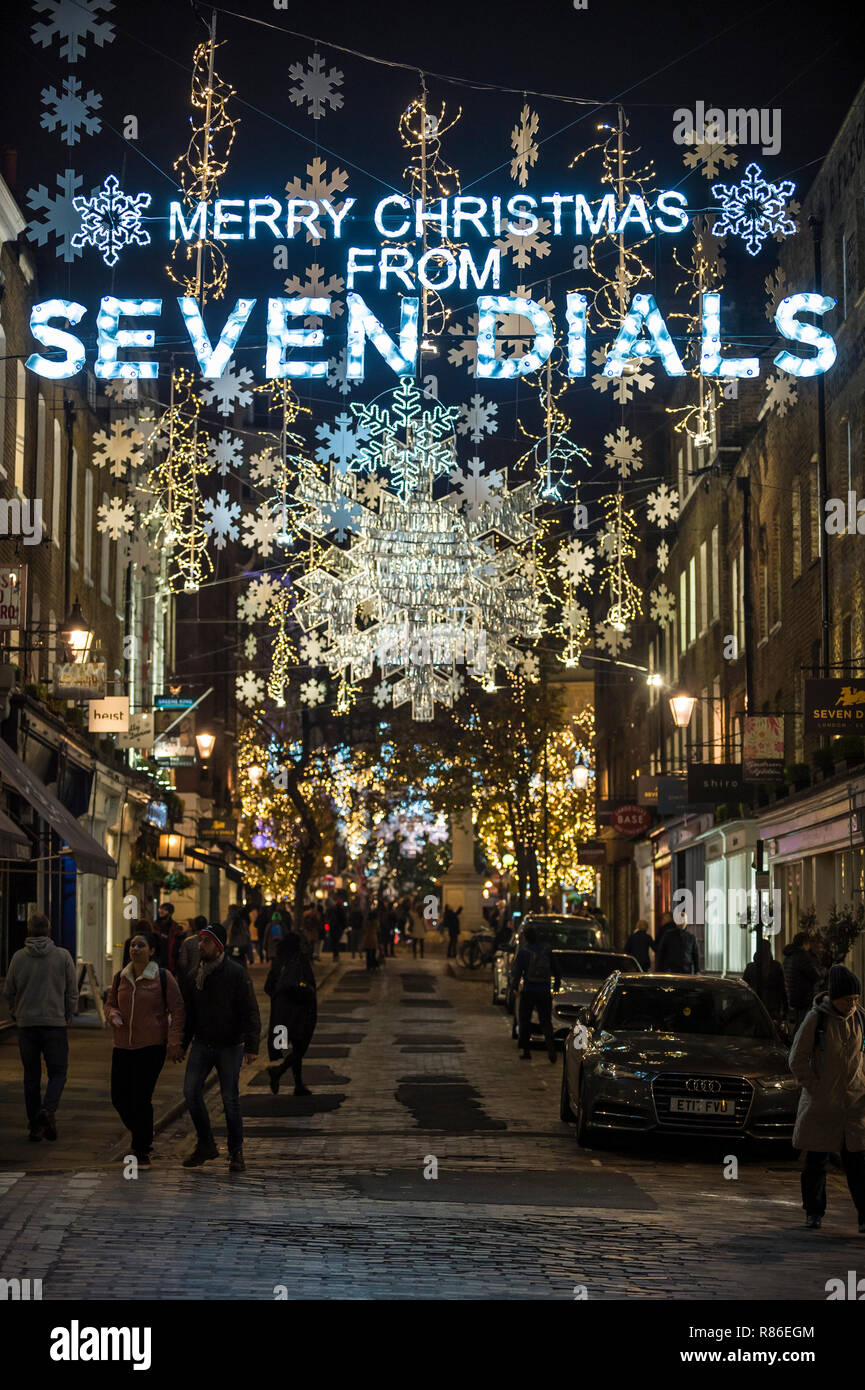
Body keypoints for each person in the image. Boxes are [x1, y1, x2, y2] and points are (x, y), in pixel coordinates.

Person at [788, 964, 865, 1232]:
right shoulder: (816, 1019)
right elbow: (797, 1058)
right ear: (834, 997)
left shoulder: (861, 1019)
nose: (852, 1004)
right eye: (848, 1000)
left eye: (856, 999)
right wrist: (814, 1087)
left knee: (858, 1162)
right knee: (817, 1160)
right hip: (823, 1103)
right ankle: (814, 1211)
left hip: (855, 1104)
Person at [180, 923, 260, 1173]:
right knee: (191, 1092)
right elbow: (190, 1015)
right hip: (202, 1043)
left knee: (229, 1098)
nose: (199, 945)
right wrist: (182, 1044)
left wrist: (251, 1045)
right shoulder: (195, 976)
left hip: (229, 1045)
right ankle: (206, 1144)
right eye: (199, 941)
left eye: (205, 941)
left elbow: (250, 1009)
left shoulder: (235, 973)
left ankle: (236, 1151)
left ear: (218, 945)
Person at [105, 929, 185, 1166]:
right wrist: (113, 1015)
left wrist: (174, 1041)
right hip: (122, 1045)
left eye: (140, 946)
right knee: (119, 1097)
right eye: (132, 946)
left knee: (140, 1097)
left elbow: (178, 1010)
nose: (135, 949)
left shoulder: (162, 977)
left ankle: (141, 1148)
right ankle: (143, 1136)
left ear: (151, 950)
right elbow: (109, 1004)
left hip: (151, 1047)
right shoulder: (121, 976)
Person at [4, 913, 78, 1142]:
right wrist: (67, 1015)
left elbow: (9, 990)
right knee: (58, 1073)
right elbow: (72, 991)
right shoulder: (63, 956)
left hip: (27, 1025)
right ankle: (48, 1110)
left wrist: (16, 1011)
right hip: (54, 1024)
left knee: (31, 1077)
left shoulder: (18, 957)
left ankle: (35, 1126)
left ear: (28, 931)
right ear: (49, 930)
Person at [264, 933, 317, 1096]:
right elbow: (310, 985)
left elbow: (268, 987)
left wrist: (279, 998)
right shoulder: (300, 960)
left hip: (282, 1013)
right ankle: (280, 1071)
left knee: (289, 1047)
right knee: (299, 1048)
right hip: (299, 1011)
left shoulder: (278, 961)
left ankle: (298, 1083)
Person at [510, 924, 561, 1062]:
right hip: (544, 991)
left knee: (525, 1021)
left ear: (526, 938)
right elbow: (556, 969)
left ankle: (526, 1051)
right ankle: (551, 1050)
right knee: (546, 1022)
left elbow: (517, 972)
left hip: (528, 991)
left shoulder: (524, 952)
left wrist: (514, 987)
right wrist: (556, 985)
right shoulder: (547, 950)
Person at [783, 932, 822, 1031]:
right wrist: (820, 976)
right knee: (803, 1024)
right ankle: (797, 1044)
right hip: (803, 995)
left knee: (798, 1022)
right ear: (804, 943)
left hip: (792, 995)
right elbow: (813, 974)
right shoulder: (802, 955)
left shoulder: (789, 955)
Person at [743, 938, 787, 1023]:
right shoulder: (776, 966)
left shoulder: (751, 967)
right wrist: (785, 1008)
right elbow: (781, 989)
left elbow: (745, 987)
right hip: (772, 1006)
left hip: (755, 1005)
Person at [176, 915, 206, 985]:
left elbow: (183, 963)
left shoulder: (188, 941)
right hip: (206, 975)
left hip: (191, 977)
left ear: (194, 925)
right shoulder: (210, 941)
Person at [362, 907, 380, 972]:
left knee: (368, 953)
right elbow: (378, 929)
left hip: (367, 938)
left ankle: (368, 965)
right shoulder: (376, 922)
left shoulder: (366, 922)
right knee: (373, 953)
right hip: (373, 938)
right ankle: (373, 965)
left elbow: (363, 928)